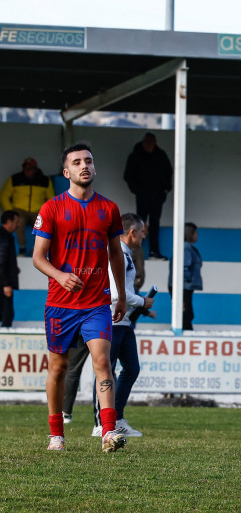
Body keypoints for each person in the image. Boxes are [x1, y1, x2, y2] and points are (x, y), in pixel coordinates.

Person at [33, 142, 127, 452]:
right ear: (66, 171)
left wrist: (121, 296)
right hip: (60, 304)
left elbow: (115, 254)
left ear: (94, 168)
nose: (83, 166)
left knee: (102, 362)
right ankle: (56, 434)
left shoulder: (109, 209)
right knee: (58, 368)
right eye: (76, 162)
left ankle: (108, 432)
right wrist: (60, 275)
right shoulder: (52, 208)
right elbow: (38, 257)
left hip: (96, 303)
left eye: (88, 160)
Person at [90, 213, 154, 438]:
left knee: (132, 368)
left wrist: (139, 306)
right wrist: (141, 301)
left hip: (124, 322)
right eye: (143, 231)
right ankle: (100, 423)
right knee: (106, 370)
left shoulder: (126, 255)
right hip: (111, 319)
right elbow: (116, 294)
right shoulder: (117, 255)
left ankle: (116, 417)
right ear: (132, 232)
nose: (145, 235)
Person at [124, 132, 172, 260]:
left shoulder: (161, 156)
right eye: (146, 142)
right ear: (143, 142)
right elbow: (128, 175)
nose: (148, 145)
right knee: (140, 223)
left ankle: (153, 252)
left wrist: (166, 189)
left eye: (151, 142)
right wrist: (137, 190)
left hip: (157, 196)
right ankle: (136, 252)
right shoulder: (136, 155)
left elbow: (169, 172)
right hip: (143, 196)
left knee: (155, 223)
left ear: (155, 143)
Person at [0, 157, 55, 255]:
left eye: (30, 168)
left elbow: (51, 199)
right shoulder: (15, 179)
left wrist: (47, 212)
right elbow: (4, 196)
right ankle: (22, 248)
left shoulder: (44, 180)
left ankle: (37, 250)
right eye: (26, 168)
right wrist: (9, 211)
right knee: (18, 221)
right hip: (20, 210)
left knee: (42, 223)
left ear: (35, 169)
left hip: (37, 209)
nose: (28, 171)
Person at [168, 223, 202, 330]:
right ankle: (184, 336)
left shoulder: (187, 247)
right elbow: (183, 267)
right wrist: (189, 279)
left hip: (185, 287)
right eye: (195, 232)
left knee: (187, 313)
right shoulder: (185, 248)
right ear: (189, 234)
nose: (197, 235)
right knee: (185, 314)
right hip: (183, 287)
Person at [0, 211, 20, 326]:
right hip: (3, 285)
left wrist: (13, 269)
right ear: (8, 221)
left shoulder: (6, 236)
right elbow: (1, 262)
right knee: (7, 315)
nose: (17, 225)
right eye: (16, 222)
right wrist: (6, 284)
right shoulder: (4, 237)